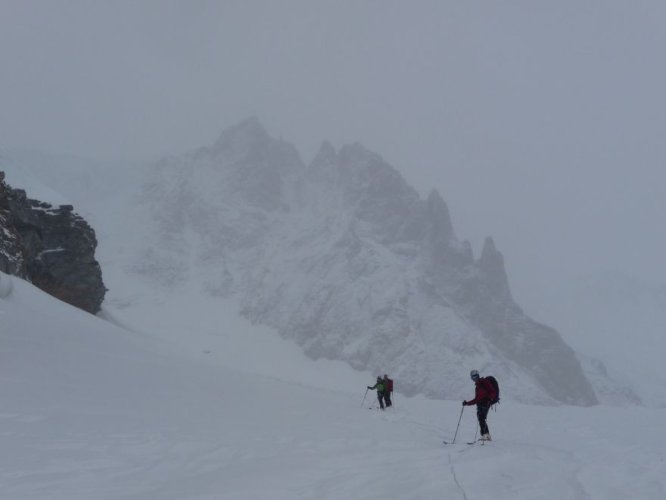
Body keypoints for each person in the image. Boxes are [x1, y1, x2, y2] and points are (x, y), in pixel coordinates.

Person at [462, 369, 496, 441]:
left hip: (486, 402)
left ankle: (485, 435)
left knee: (481, 418)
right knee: (481, 418)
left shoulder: (484, 382)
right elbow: (476, 399)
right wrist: (467, 403)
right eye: (473, 377)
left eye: (475, 376)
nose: (474, 378)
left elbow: (492, 391)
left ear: (478, 375)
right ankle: (486, 435)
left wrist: (490, 399)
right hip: (480, 404)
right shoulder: (477, 386)